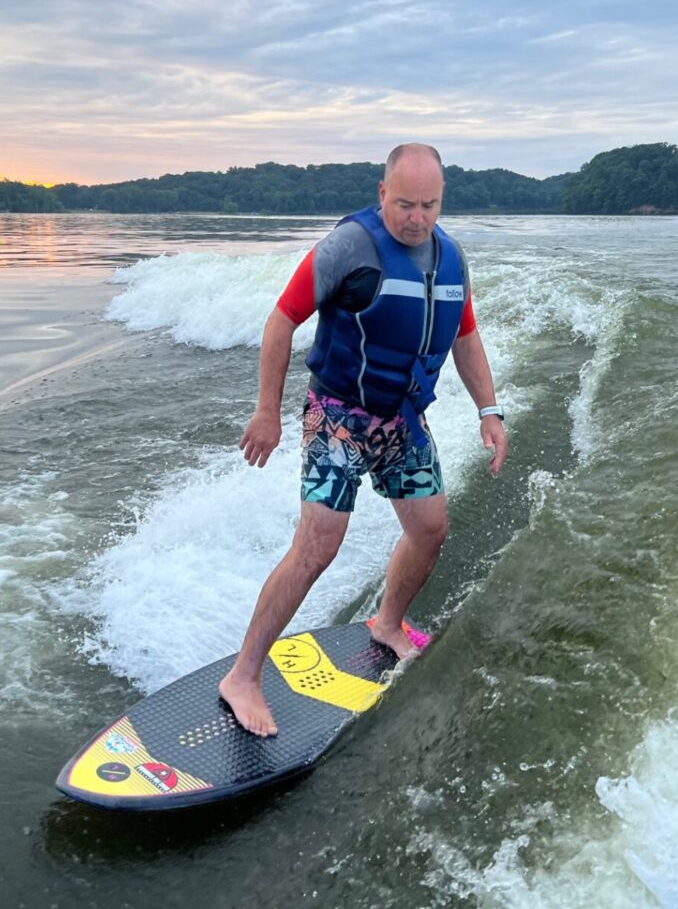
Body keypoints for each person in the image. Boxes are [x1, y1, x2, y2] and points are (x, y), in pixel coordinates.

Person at [218, 142, 508, 736]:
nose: (416, 218)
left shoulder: (450, 259)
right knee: (318, 546)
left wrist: (490, 410)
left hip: (402, 421)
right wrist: (266, 412)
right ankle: (243, 675)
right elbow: (281, 320)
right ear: (382, 194)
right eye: (404, 203)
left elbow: (466, 339)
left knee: (430, 529)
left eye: (429, 205)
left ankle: (389, 623)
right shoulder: (349, 246)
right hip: (338, 416)